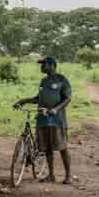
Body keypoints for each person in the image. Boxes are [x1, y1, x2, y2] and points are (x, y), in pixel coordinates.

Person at [13, 55, 73, 184]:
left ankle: (68, 176)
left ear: (52, 65)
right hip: (43, 119)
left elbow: (68, 98)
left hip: (57, 120)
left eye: (44, 64)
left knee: (62, 147)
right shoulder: (43, 81)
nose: (41, 67)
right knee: (47, 148)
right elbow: (38, 99)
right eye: (41, 64)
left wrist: (56, 109)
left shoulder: (62, 79)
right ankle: (51, 175)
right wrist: (23, 101)